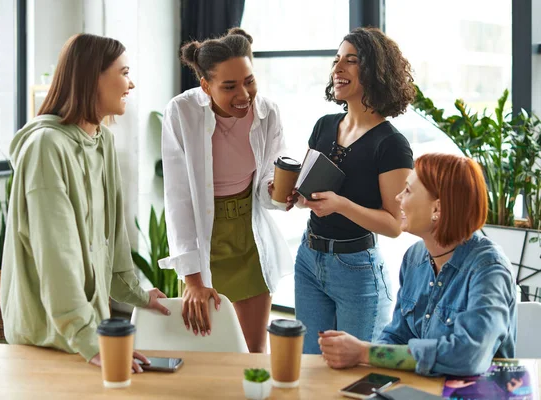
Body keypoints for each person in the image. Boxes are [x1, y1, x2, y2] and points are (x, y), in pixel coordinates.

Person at [0, 33, 170, 372]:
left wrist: (137, 294)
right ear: (94, 77)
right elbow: (56, 255)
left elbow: (111, 239)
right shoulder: (46, 147)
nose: (131, 83)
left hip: (87, 333)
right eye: (124, 72)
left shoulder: (101, 139)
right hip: (47, 336)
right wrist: (89, 339)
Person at [318, 153, 517, 377]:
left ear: (437, 209)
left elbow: (469, 356)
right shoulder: (414, 258)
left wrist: (365, 353)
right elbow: (397, 336)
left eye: (408, 191)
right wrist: (372, 373)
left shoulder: (489, 269)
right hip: (420, 388)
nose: (398, 198)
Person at [158, 28, 293, 353]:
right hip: (204, 239)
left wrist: (279, 192)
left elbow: (264, 187)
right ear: (205, 86)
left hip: (249, 239)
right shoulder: (182, 113)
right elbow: (179, 199)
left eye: (249, 81)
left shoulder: (268, 111)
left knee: (253, 351)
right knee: (207, 352)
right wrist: (192, 280)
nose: (244, 95)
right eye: (229, 86)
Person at [294, 27, 415, 353]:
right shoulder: (323, 124)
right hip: (308, 259)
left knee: (355, 373)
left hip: (357, 269)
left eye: (351, 60)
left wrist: (341, 205)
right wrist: (298, 196)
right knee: (310, 366)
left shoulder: (391, 144)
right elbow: (309, 193)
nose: (337, 68)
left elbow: (395, 224)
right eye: (336, 60)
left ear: (375, 71)